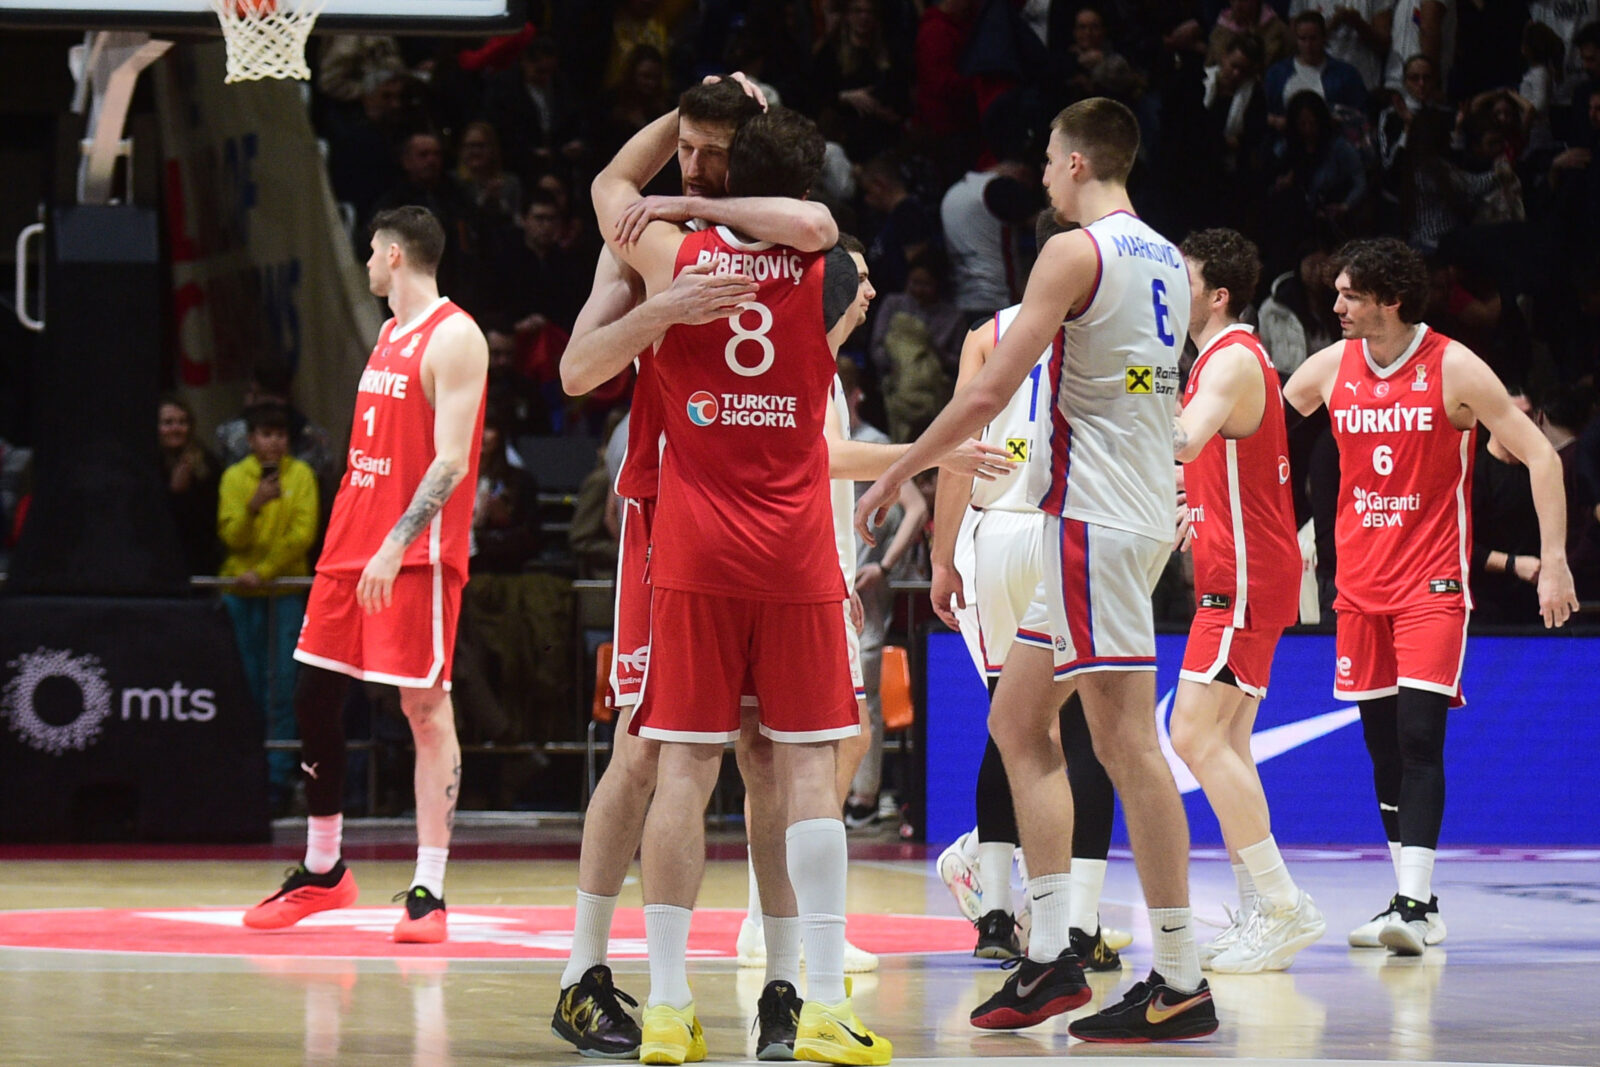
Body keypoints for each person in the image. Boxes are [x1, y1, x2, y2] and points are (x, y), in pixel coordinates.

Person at [857, 97, 1216, 1043]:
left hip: (1094, 519)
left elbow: (986, 389)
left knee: (1128, 745)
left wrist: (901, 466)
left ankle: (1179, 974)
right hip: (1118, 511)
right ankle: (1052, 949)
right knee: (1017, 722)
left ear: (1078, 162)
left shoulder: (1073, 253)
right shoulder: (1171, 262)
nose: (1044, 174)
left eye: (1051, 159)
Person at [593, 103, 892, 1066]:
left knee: (685, 766)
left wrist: (660, 156)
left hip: (694, 546)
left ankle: (672, 1006)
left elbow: (609, 192)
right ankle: (816, 1004)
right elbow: (816, 224)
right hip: (795, 546)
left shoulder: (670, 256)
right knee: (805, 770)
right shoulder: (820, 261)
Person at [1283, 237, 1578, 955]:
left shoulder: (1453, 366)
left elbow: (1541, 453)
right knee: (1382, 747)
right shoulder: (1328, 368)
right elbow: (1261, 434)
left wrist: (1557, 562)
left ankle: (1413, 905)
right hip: (1357, 585)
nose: (1337, 305)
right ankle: (1413, 900)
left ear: (1392, 299)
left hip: (1432, 583)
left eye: (1351, 294)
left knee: (1420, 737)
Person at [242, 206, 489, 946]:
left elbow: (450, 460)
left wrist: (393, 543)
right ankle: (324, 868)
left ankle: (430, 886)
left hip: (412, 554)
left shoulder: (456, 335)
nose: (367, 264)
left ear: (391, 255)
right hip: (352, 545)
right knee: (314, 687)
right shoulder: (386, 333)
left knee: (423, 707)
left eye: (371, 255)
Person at [928, 213, 1132, 971]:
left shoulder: (990, 332)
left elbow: (958, 449)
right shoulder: (1115, 326)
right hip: (1065, 531)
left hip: (994, 534)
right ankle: (1077, 922)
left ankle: (991, 913)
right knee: (1078, 733)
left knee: (1007, 725)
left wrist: (944, 558)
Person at [1168, 228, 1325, 974]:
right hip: (1249, 565)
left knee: (1192, 734)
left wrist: (1118, 391)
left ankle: (1285, 901)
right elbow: (1198, 465)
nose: (1170, 287)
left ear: (1217, 292)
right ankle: (1264, 908)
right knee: (1225, 744)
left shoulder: (1230, 357)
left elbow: (1180, 439)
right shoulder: (1220, 359)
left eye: (1183, 276)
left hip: (1244, 572)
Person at [218, 403, 318, 812]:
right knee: (244, 687)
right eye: (264, 434)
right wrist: (254, 504)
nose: (273, 442)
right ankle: (241, 775)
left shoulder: (302, 476)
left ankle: (277, 780)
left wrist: (264, 571)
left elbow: (302, 534)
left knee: (281, 687)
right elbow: (231, 535)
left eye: (279, 435)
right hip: (241, 597)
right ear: (250, 438)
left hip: (285, 593)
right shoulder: (234, 477)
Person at [159, 395, 221, 577]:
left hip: (198, 558)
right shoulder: (146, 464)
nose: (176, 428)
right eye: (168, 423)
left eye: (182, 422)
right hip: (158, 556)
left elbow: (211, 515)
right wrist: (173, 493)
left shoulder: (207, 463)